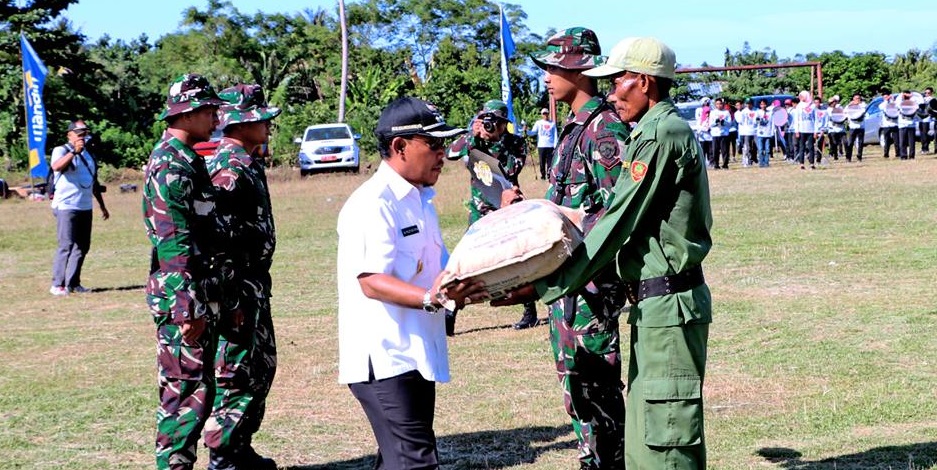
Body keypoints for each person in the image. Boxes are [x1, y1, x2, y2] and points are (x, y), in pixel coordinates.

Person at [498, 36, 712, 470]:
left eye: (618, 83)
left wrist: (542, 284)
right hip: (655, 304)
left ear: (645, 82)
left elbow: (614, 222)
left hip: (666, 301)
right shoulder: (653, 129)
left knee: (665, 439)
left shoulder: (658, 134)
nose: (612, 94)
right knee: (647, 436)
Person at [337, 97, 486, 470]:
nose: (442, 154)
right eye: (433, 144)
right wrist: (430, 298)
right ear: (399, 147)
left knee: (400, 458)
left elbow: (444, 270)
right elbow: (371, 281)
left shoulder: (421, 199)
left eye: (443, 144)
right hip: (385, 357)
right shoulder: (373, 203)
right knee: (415, 462)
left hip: (414, 350)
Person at [530, 26, 629, 469]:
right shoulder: (573, 128)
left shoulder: (604, 130)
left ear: (582, 71)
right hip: (567, 286)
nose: (548, 77)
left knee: (598, 389)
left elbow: (618, 214)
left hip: (591, 286)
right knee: (576, 388)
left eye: (556, 67)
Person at [143, 74, 226, 470]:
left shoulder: (188, 159)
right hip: (183, 298)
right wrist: (186, 308)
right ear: (188, 113)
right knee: (184, 395)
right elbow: (173, 243)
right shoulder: (171, 165)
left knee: (197, 389)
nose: (215, 116)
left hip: (195, 292)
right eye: (209, 110)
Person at [203, 83, 281, 469]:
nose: (266, 123)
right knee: (236, 372)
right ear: (238, 123)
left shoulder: (248, 162)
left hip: (253, 285)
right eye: (258, 117)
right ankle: (224, 456)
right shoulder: (229, 169)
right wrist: (230, 299)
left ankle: (239, 446)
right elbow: (219, 243)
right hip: (237, 289)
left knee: (261, 366)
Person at [447, 99, 539, 330]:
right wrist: (473, 135)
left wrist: (494, 143)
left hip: (508, 208)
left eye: (494, 122)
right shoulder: (474, 141)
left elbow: (509, 170)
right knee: (464, 263)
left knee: (519, 258)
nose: (490, 126)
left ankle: (530, 311)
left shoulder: (515, 143)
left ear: (503, 124)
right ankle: (450, 313)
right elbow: (451, 152)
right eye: (487, 120)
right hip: (480, 210)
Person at [48, 120, 109, 296]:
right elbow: (56, 166)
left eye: (85, 132)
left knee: (82, 245)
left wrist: (102, 206)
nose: (83, 136)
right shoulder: (61, 150)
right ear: (70, 135)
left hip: (85, 205)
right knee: (66, 244)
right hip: (67, 205)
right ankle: (57, 284)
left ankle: (73, 283)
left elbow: (93, 181)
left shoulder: (89, 154)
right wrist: (74, 152)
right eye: (79, 132)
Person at [527, 107, 558, 180]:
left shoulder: (552, 124)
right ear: (541, 115)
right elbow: (533, 132)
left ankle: (549, 175)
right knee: (542, 162)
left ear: (548, 114)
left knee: (550, 162)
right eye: (544, 114)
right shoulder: (538, 123)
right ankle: (543, 175)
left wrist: (555, 145)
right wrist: (527, 131)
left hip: (550, 145)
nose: (545, 115)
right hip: (541, 145)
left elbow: (555, 135)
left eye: (546, 113)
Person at [792, 91, 817, 169]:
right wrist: (797, 130)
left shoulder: (813, 106)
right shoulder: (799, 106)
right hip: (801, 130)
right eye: (800, 96)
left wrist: (816, 131)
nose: (801, 98)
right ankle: (801, 163)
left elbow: (816, 119)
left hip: (811, 130)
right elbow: (797, 119)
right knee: (801, 147)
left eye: (802, 96)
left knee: (811, 147)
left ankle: (812, 163)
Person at [896, 90, 919, 160]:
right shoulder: (900, 101)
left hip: (911, 124)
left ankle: (912, 156)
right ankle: (903, 156)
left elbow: (917, 106)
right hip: (902, 124)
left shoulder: (913, 101)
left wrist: (911, 96)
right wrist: (902, 95)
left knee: (911, 141)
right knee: (902, 141)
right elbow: (897, 103)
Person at [709, 98, 731, 169]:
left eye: (720, 104)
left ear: (723, 104)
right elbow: (710, 124)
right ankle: (716, 165)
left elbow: (730, 123)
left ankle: (725, 164)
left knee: (725, 150)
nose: (719, 105)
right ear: (715, 105)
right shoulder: (713, 112)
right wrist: (716, 122)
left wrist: (723, 122)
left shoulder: (726, 112)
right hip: (715, 134)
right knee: (715, 150)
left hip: (724, 134)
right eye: (717, 104)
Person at [844, 93, 866, 162]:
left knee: (860, 143)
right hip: (852, 126)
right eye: (856, 98)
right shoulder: (849, 105)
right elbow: (844, 112)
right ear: (853, 99)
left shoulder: (863, 105)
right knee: (850, 142)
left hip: (861, 126)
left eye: (858, 98)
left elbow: (863, 111)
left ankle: (859, 157)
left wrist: (858, 104)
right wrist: (850, 105)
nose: (857, 100)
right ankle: (848, 157)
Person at [735, 99, 756, 167]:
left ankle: (753, 159)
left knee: (754, 147)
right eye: (747, 104)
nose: (748, 105)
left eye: (750, 103)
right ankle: (746, 160)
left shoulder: (756, 110)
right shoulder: (743, 112)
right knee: (746, 147)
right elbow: (740, 121)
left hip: (754, 131)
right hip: (744, 132)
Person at [754, 100, 773, 167]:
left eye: (764, 104)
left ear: (766, 105)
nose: (763, 106)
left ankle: (766, 163)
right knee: (760, 149)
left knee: (767, 149)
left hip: (768, 133)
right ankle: (761, 163)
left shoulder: (770, 113)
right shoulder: (758, 112)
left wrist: (772, 131)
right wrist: (758, 120)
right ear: (760, 105)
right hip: (760, 133)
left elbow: (772, 122)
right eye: (761, 104)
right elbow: (755, 121)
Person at [826, 95, 845, 161]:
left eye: (835, 102)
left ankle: (846, 155)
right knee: (834, 143)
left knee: (845, 142)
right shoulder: (828, 110)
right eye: (833, 102)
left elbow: (843, 115)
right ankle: (835, 155)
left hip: (841, 128)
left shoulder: (840, 108)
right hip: (832, 129)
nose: (834, 103)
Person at [879, 91, 898, 158]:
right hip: (886, 124)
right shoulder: (882, 104)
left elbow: (897, 107)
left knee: (896, 140)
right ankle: (886, 153)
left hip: (895, 123)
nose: (886, 98)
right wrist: (886, 101)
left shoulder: (894, 103)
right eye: (884, 97)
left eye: (887, 96)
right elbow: (881, 107)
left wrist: (892, 100)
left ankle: (898, 153)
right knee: (887, 140)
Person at [695, 98, 713, 167]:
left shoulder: (711, 110)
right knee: (703, 149)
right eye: (705, 102)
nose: (706, 103)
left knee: (710, 149)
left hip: (709, 132)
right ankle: (703, 162)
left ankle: (711, 161)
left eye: (707, 102)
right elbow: (698, 120)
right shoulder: (699, 110)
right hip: (702, 131)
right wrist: (701, 128)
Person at [919, 87, 933, 154]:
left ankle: (925, 148)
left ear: (931, 93)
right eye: (925, 93)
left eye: (928, 93)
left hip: (927, 119)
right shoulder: (922, 99)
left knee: (925, 134)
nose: (927, 94)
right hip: (920, 119)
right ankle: (923, 148)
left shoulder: (932, 99)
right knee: (922, 135)